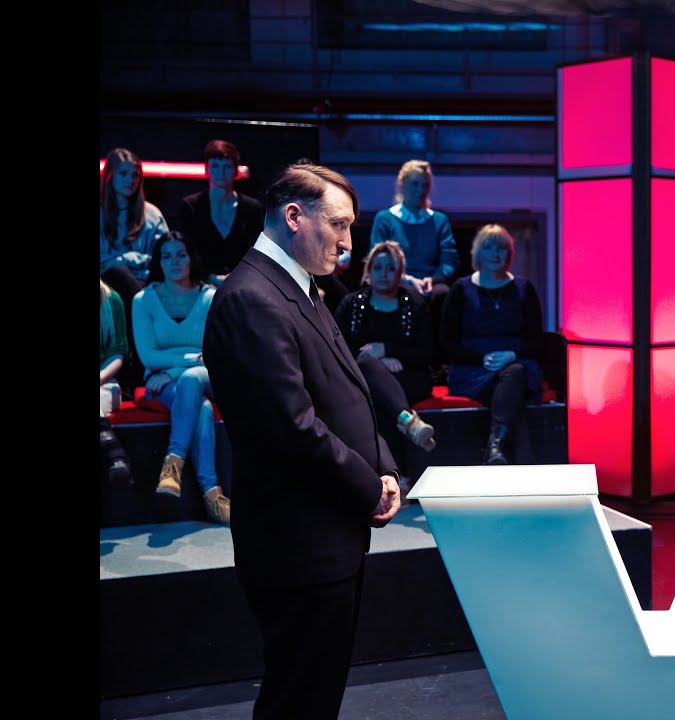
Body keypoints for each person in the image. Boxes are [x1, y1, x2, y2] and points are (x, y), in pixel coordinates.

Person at [203, 161, 401, 719]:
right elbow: (292, 427)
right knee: (297, 702)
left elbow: (349, 389)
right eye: (339, 224)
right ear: (294, 216)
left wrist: (384, 467)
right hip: (298, 544)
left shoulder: (301, 288)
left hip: (327, 535)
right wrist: (370, 487)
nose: (348, 242)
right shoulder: (252, 298)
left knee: (314, 697)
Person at [131, 231, 230, 524]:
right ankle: (212, 495)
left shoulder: (209, 297)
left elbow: (215, 353)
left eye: (181, 255)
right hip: (162, 380)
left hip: (202, 374)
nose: (174, 262)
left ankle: (172, 463)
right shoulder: (143, 300)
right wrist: (188, 360)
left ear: (191, 259)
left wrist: (174, 369)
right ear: (158, 262)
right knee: (199, 406)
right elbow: (148, 356)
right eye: (167, 256)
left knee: (191, 379)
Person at [333, 240, 438, 485]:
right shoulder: (352, 303)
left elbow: (428, 353)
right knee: (370, 371)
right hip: (364, 376)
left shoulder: (415, 304)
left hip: (409, 375)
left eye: (391, 268)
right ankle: (407, 423)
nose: (384, 274)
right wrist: (378, 361)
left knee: (378, 396)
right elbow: (337, 347)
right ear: (368, 270)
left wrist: (388, 351)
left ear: (401, 273)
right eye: (378, 267)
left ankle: (393, 477)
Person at [439, 223, 544, 465]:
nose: (495, 254)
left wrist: (512, 355)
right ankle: (508, 453)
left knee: (515, 374)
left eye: (501, 248)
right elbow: (447, 341)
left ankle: (495, 446)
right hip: (472, 370)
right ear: (478, 252)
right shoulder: (461, 289)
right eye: (488, 248)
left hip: (516, 364)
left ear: (509, 253)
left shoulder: (524, 288)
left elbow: (536, 340)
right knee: (512, 398)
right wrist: (481, 359)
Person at [100, 146, 170, 390]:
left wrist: (129, 259)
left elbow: (165, 255)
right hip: (105, 289)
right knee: (118, 275)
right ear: (110, 176)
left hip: (145, 283)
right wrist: (118, 263)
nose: (130, 180)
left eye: (135, 175)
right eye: (123, 174)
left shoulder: (151, 214)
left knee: (130, 282)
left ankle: (135, 369)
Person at [369, 159, 458, 316]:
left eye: (425, 185)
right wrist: (407, 279)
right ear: (403, 185)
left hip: (431, 283)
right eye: (415, 184)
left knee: (443, 293)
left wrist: (433, 279)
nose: (420, 190)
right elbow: (378, 260)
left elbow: (449, 260)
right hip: (396, 281)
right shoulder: (385, 219)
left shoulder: (439, 220)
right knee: (407, 294)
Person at [175, 139, 266, 287]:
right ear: (206, 170)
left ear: (235, 171)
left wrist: (236, 277)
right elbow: (185, 251)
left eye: (227, 166)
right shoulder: (190, 207)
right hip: (200, 286)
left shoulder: (252, 208)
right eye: (215, 166)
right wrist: (209, 277)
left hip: (244, 284)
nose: (221, 172)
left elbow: (257, 252)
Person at [100, 279, 133, 486]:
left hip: (105, 381)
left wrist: (100, 376)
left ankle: (116, 456)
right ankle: (116, 455)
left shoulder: (111, 300)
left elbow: (118, 352)